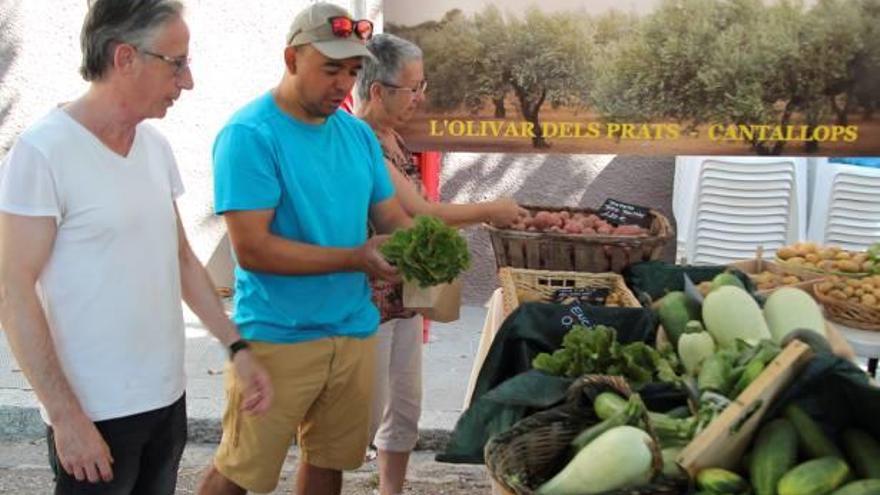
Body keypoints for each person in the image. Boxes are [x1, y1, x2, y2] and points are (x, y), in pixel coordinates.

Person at [0, 1, 272, 494]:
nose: (187, 81)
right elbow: (11, 289)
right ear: (125, 58)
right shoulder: (42, 153)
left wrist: (237, 347)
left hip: (167, 403)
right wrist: (66, 418)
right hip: (95, 416)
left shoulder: (154, 147)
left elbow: (183, 258)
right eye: (177, 63)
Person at [196, 4, 411, 495]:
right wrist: (356, 257)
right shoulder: (249, 135)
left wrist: (420, 253)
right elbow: (252, 250)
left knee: (329, 463)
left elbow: (392, 219)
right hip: (276, 336)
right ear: (291, 59)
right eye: (331, 68)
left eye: (353, 71)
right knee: (238, 471)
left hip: (353, 328)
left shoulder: (356, 134)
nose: (342, 84)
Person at [355, 33, 523, 495]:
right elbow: (418, 212)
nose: (421, 98)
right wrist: (490, 209)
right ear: (377, 91)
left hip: (403, 297)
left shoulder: (394, 137)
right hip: (370, 299)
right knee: (362, 417)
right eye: (413, 88)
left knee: (405, 409)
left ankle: (391, 490)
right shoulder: (364, 140)